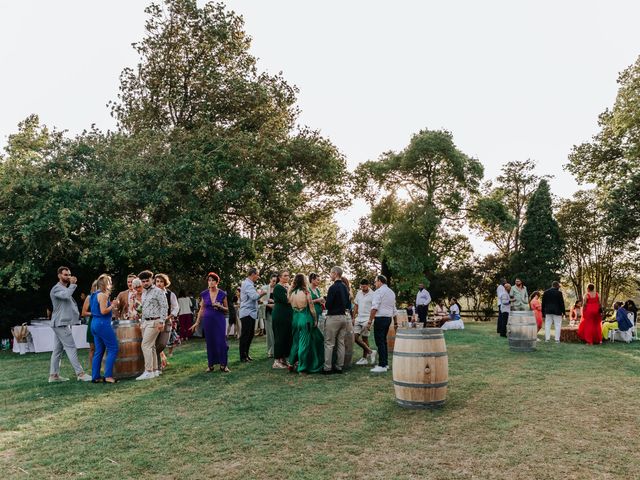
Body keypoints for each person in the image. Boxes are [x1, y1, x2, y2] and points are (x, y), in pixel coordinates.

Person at [48, 266, 92, 382]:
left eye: (69, 274)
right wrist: (72, 285)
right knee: (71, 347)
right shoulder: (57, 289)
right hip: (60, 324)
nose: (68, 277)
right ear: (59, 276)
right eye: (65, 275)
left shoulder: (64, 288)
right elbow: (66, 295)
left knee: (57, 350)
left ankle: (54, 376)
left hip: (60, 323)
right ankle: (80, 374)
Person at [190, 272, 230, 372]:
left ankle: (223, 365)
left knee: (221, 342)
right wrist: (197, 322)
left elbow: (227, 309)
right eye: (209, 280)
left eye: (213, 280)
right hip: (207, 321)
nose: (211, 282)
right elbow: (201, 309)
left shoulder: (222, 294)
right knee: (210, 342)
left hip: (219, 320)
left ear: (217, 282)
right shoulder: (204, 294)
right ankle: (210, 365)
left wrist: (220, 306)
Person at [287, 274, 324, 373]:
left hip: (295, 318)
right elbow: (311, 307)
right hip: (305, 318)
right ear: (304, 281)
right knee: (304, 343)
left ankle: (290, 363)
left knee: (295, 342)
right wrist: (315, 319)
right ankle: (302, 368)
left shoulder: (291, 292)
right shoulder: (306, 292)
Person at [136, 270, 168, 380]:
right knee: (152, 346)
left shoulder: (158, 291)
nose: (145, 283)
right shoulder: (144, 292)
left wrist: (162, 321)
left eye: (147, 280)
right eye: (143, 281)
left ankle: (148, 371)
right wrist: (142, 322)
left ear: (152, 280)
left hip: (155, 321)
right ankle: (154, 371)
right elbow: (144, 308)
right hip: (145, 322)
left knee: (145, 345)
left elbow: (164, 306)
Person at [90, 274, 120, 383]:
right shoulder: (102, 295)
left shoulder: (93, 294)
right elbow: (103, 311)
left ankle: (95, 376)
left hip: (94, 324)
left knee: (99, 351)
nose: (111, 284)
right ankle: (108, 376)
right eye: (110, 282)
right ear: (106, 284)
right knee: (113, 348)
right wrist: (113, 305)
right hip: (102, 324)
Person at [323, 266, 351, 374]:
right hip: (344, 317)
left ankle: (327, 368)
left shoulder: (332, 288)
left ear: (335, 273)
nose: (330, 275)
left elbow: (328, 305)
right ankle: (339, 366)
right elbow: (348, 303)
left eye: (331, 273)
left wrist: (324, 302)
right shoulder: (345, 287)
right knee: (340, 343)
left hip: (333, 318)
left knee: (329, 343)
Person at [367, 275, 397, 373]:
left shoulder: (378, 292)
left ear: (379, 281)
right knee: (383, 341)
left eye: (375, 282)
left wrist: (369, 321)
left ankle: (382, 365)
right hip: (388, 319)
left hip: (380, 318)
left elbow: (374, 307)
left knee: (379, 341)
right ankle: (385, 364)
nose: (375, 284)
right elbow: (394, 309)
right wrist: (395, 322)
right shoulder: (391, 292)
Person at [239, 267, 265, 362]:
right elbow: (254, 296)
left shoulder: (249, 284)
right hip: (247, 313)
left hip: (251, 313)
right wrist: (262, 293)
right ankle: (243, 356)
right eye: (257, 274)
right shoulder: (247, 284)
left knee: (250, 335)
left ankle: (246, 354)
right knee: (245, 335)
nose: (258, 277)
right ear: (253, 274)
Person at [154, 273, 180, 366]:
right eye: (157, 281)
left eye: (161, 281)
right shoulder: (151, 294)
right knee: (153, 344)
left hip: (166, 321)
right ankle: (157, 366)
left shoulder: (170, 294)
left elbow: (176, 307)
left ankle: (159, 362)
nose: (159, 283)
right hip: (154, 322)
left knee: (162, 344)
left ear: (165, 283)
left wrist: (168, 317)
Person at [272, 271, 293, 369]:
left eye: (288, 275)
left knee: (286, 337)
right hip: (280, 315)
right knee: (280, 337)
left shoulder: (287, 287)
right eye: (285, 275)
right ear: (280, 277)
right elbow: (287, 300)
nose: (287, 277)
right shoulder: (278, 288)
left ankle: (283, 359)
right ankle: (276, 361)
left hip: (288, 315)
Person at [352, 279, 375, 365]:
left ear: (368, 285)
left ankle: (364, 358)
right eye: (361, 286)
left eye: (364, 286)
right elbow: (356, 305)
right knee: (354, 337)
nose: (362, 288)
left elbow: (374, 308)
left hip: (367, 318)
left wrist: (370, 320)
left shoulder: (373, 294)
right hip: (359, 318)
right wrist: (353, 317)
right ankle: (371, 351)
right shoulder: (359, 293)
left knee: (365, 338)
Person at [81, 280, 98, 370]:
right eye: (95, 287)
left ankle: (101, 366)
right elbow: (83, 313)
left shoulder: (104, 297)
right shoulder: (89, 297)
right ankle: (92, 368)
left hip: (102, 323)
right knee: (92, 348)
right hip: (92, 323)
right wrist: (95, 313)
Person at [259, 273, 278, 355]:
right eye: (273, 281)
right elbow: (261, 300)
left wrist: (274, 302)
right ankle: (270, 351)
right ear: (270, 280)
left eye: (276, 281)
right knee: (270, 333)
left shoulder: (278, 288)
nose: (274, 283)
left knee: (276, 332)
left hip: (277, 312)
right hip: (268, 312)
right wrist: (268, 302)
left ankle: (276, 350)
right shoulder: (264, 288)